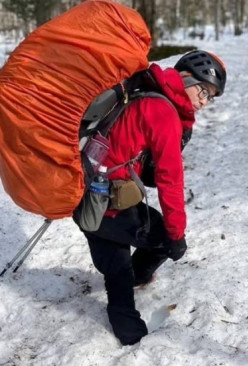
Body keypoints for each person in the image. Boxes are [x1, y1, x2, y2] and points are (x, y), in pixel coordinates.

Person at [74, 50, 227, 345]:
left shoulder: (145, 86)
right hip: (107, 204)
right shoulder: (164, 112)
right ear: (185, 78)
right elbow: (171, 180)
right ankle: (133, 341)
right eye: (204, 91)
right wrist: (176, 235)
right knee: (156, 245)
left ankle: (129, 278)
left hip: (84, 190)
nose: (205, 102)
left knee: (115, 257)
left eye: (211, 97)